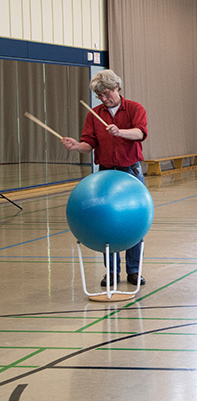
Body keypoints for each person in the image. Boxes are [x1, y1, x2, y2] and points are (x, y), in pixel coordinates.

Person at [61, 69, 149, 287]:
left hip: (131, 172)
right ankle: (111, 272)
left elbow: (140, 133)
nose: (103, 98)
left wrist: (121, 132)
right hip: (106, 175)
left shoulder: (135, 108)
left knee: (133, 222)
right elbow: (88, 144)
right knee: (104, 224)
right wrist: (76, 147)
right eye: (99, 95)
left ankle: (134, 270)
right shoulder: (94, 114)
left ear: (116, 87)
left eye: (106, 93)